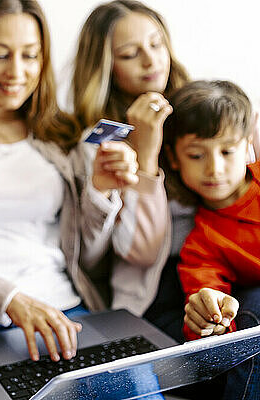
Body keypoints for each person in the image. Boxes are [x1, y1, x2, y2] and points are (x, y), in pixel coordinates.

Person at [0, 0, 142, 366]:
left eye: (30, 55)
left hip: (66, 313)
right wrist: (8, 299)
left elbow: (90, 258)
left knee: (143, 389)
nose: (16, 72)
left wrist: (99, 191)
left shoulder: (64, 138)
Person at [70, 0, 192, 342]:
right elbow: (136, 253)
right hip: (151, 289)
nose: (151, 60)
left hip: (220, 266)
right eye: (129, 54)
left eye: (156, 44)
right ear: (106, 67)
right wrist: (147, 156)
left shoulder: (199, 111)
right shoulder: (98, 143)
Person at [161, 80, 260, 400]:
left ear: (247, 145)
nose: (214, 168)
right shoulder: (201, 243)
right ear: (174, 159)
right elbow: (206, 302)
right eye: (196, 155)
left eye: (227, 151)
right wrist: (208, 316)